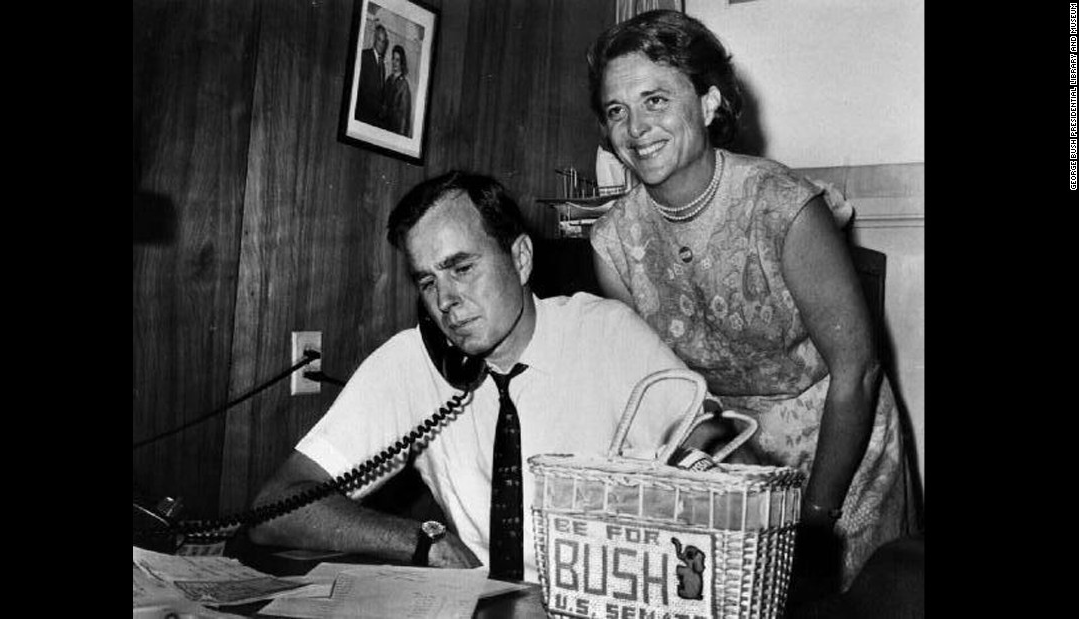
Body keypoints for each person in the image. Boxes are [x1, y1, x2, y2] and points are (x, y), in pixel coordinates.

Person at [584, 9, 907, 602]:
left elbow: (856, 372)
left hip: (841, 455)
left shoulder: (784, 208)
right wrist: (739, 490)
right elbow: (666, 391)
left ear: (708, 104)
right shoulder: (613, 243)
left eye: (655, 100)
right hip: (729, 458)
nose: (634, 128)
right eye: (616, 110)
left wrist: (812, 520)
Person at [249, 171, 697, 583]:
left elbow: (728, 459)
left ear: (520, 258)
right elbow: (276, 509)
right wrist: (423, 541)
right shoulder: (412, 363)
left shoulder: (606, 333)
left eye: (462, 269)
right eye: (427, 282)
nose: (446, 301)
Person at [355, 23, 388, 127]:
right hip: (362, 116)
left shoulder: (382, 65)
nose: (381, 44)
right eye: (379, 40)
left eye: (383, 42)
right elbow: (360, 90)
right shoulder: (364, 56)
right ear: (374, 39)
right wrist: (378, 108)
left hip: (374, 119)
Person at [381, 45, 412, 137]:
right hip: (384, 126)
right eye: (393, 59)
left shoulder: (404, 85)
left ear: (402, 62)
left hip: (395, 131)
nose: (394, 62)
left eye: (397, 60)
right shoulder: (388, 80)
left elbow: (404, 117)